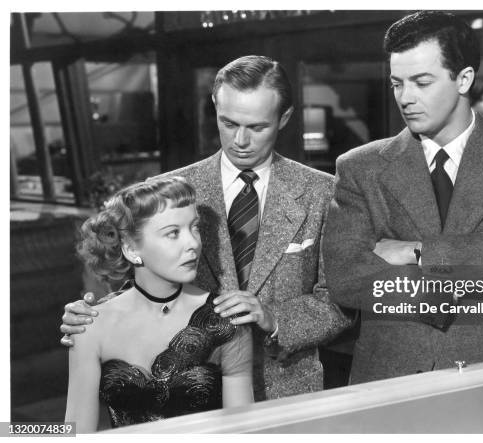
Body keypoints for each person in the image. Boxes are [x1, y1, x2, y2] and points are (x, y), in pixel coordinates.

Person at [61, 55, 351, 401]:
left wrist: (274, 318)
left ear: (284, 118)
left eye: (257, 127)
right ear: (215, 106)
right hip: (188, 392)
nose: (240, 140)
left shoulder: (322, 192)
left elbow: (339, 303)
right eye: (228, 123)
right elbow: (142, 281)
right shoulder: (169, 190)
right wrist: (94, 316)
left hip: (288, 392)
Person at [323, 11, 483, 384]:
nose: (406, 98)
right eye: (397, 83)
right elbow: (345, 277)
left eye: (422, 82)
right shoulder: (360, 167)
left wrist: (416, 252)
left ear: (464, 79)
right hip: (388, 379)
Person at [65, 177, 253, 432]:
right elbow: (74, 432)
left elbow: (244, 431)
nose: (193, 244)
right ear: (131, 249)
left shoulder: (227, 320)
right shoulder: (90, 325)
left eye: (195, 228)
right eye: (173, 233)